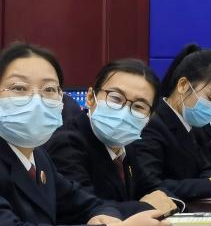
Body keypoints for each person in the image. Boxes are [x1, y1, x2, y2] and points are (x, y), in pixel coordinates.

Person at [0, 42, 170, 226]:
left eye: (49, 90)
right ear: (90, 97)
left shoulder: (39, 157)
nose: (37, 100)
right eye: (19, 88)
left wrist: (100, 215)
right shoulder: (66, 143)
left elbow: (82, 203)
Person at [45, 59, 177, 216]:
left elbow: (151, 188)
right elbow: (83, 208)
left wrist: (169, 202)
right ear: (90, 97)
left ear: (149, 117)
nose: (124, 112)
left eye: (139, 106)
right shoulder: (67, 143)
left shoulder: (126, 145)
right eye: (115, 98)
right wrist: (147, 207)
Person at [130, 45, 211, 201]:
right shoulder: (151, 124)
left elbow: (206, 169)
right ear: (183, 85)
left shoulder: (196, 126)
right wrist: (208, 186)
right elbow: (149, 186)